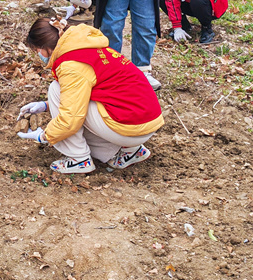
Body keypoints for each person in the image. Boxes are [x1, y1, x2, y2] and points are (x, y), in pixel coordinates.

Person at [15, 18, 164, 174]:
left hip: (130, 126)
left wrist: (44, 136)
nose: (38, 54)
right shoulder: (87, 46)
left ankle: (78, 159)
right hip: (146, 119)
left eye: (37, 50)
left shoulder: (71, 64)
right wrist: (45, 106)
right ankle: (131, 151)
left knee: (56, 90)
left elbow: (70, 119)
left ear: (46, 48)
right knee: (75, 102)